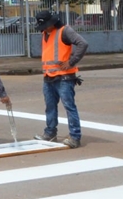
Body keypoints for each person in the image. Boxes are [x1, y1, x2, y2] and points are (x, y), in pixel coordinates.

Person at [33, 10, 88, 148]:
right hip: (48, 76)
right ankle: (50, 133)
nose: (44, 28)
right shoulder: (45, 33)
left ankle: (75, 137)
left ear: (52, 22)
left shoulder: (64, 31)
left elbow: (82, 43)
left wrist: (71, 61)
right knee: (50, 107)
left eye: (45, 25)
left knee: (69, 107)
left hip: (64, 77)